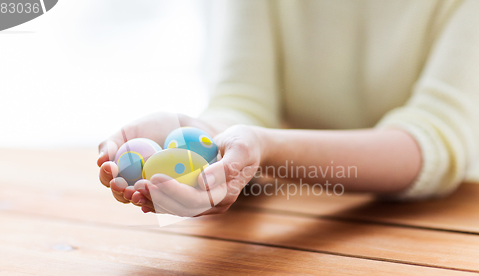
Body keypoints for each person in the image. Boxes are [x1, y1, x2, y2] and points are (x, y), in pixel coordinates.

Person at [98, 0, 479, 216]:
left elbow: (434, 138)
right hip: (289, 211)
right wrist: (207, 136)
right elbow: (244, 99)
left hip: (445, 220)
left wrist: (264, 150)